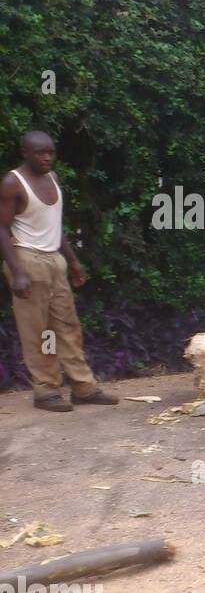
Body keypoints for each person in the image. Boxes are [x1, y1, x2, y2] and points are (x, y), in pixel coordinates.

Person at [0, 130, 117, 412]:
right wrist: (17, 272)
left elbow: (55, 225)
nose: (47, 157)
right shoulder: (12, 184)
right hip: (26, 259)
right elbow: (2, 228)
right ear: (25, 153)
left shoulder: (52, 178)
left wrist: (73, 261)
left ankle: (83, 387)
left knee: (67, 326)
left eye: (51, 152)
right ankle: (46, 390)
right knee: (38, 332)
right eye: (40, 152)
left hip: (55, 260)